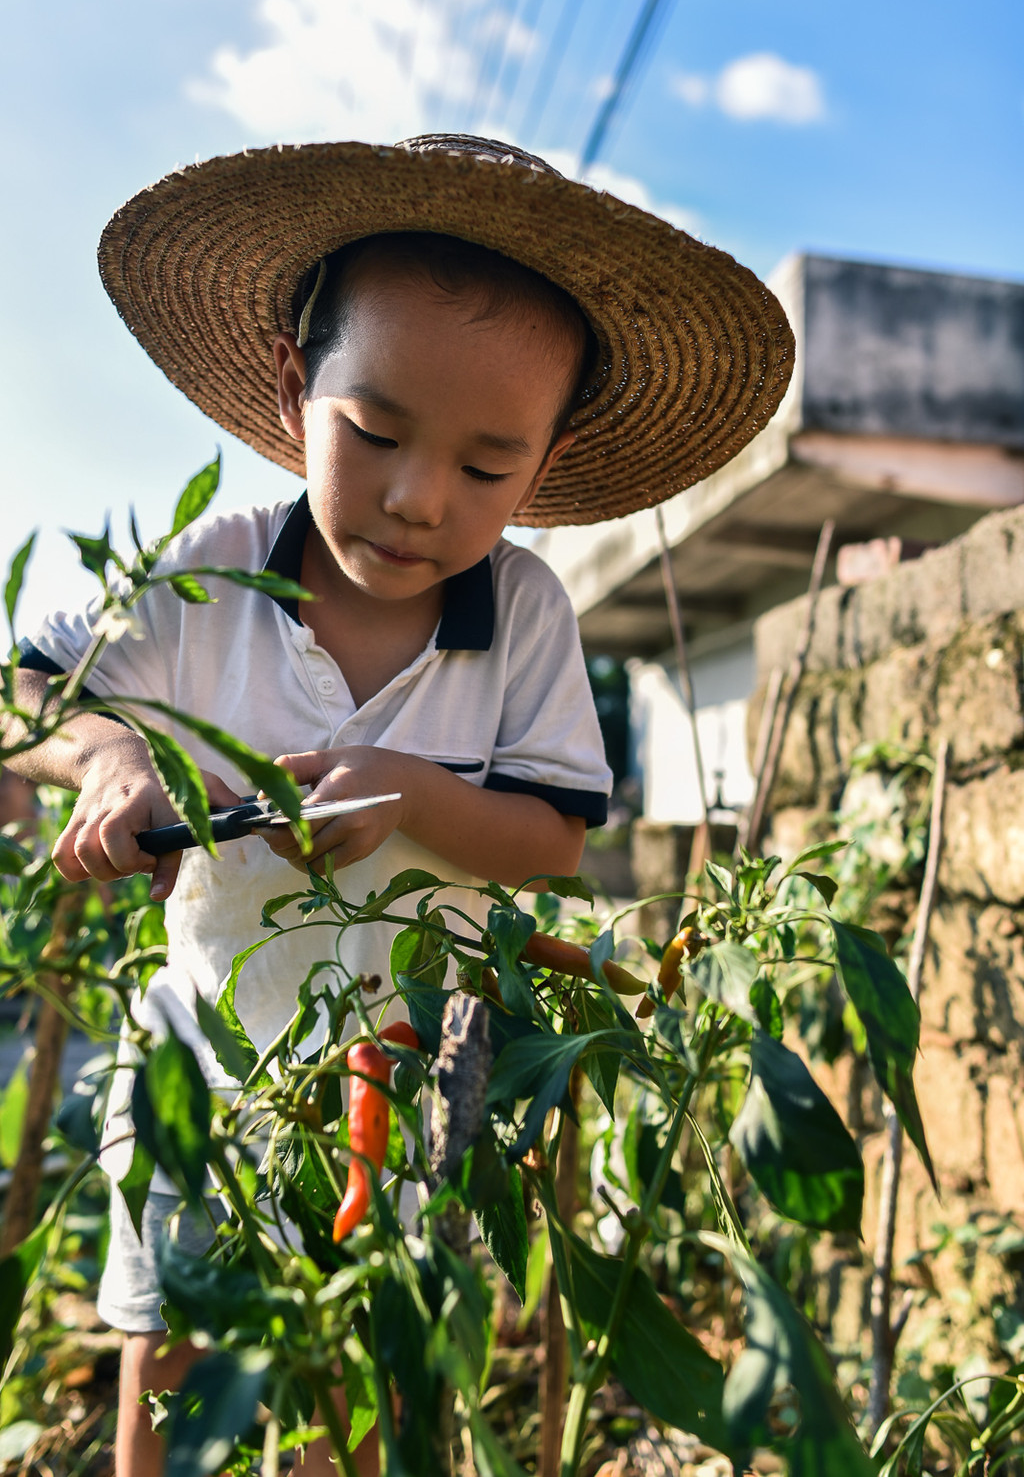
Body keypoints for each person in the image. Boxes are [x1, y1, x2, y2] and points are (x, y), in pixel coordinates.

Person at [4, 134, 793, 1475]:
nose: (421, 497)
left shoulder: (524, 614)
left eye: (487, 469)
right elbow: (24, 692)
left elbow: (550, 841)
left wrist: (417, 793)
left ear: (544, 466)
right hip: (210, 1049)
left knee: (365, 1355)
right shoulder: (214, 573)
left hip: (409, 1061)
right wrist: (113, 760)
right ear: (291, 387)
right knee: (169, 1336)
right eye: (373, 433)